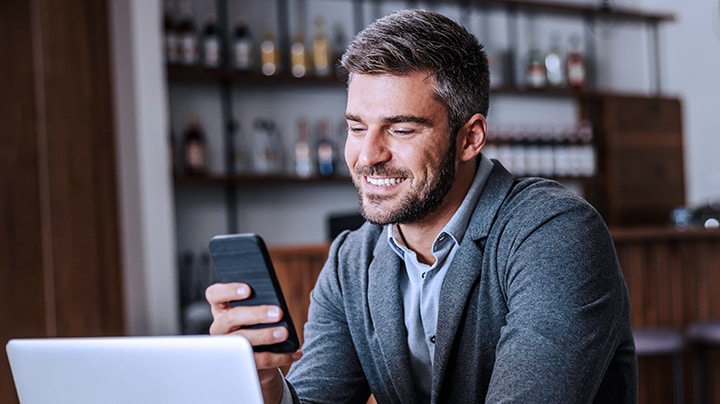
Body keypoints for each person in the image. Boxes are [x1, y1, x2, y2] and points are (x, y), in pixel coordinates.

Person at [206, 9, 637, 403]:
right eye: (357, 127)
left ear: (469, 138)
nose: (368, 154)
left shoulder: (554, 233)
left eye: (401, 129)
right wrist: (265, 387)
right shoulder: (350, 261)